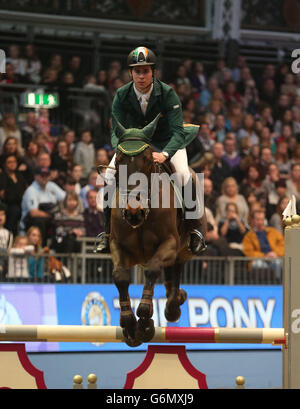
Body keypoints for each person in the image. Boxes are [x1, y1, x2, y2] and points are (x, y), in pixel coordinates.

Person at [96, 46, 206, 254]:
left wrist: (165, 154)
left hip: (167, 142)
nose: (141, 76)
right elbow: (114, 129)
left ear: (153, 72)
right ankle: (106, 231)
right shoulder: (121, 94)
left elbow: (177, 131)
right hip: (132, 145)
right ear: (130, 73)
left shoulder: (167, 93)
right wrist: (119, 149)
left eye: (145, 71)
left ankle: (195, 229)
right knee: (109, 177)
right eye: (137, 71)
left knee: (184, 175)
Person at [20, 166, 66, 245]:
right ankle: (41, 246)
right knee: (39, 221)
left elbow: (65, 198)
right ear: (36, 176)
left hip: (49, 217)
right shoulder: (31, 190)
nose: (45, 178)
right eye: (42, 175)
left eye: (47, 175)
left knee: (62, 220)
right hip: (30, 221)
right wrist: (51, 215)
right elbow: (33, 213)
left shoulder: (51, 185)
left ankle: (56, 247)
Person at [242, 209, 284, 280]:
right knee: (258, 264)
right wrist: (264, 256)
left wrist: (275, 253)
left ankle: (277, 284)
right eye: (258, 219)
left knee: (278, 263)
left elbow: (283, 245)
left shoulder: (273, 231)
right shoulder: (248, 236)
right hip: (259, 259)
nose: (260, 222)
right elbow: (248, 252)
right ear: (252, 221)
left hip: (274, 257)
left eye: (262, 219)